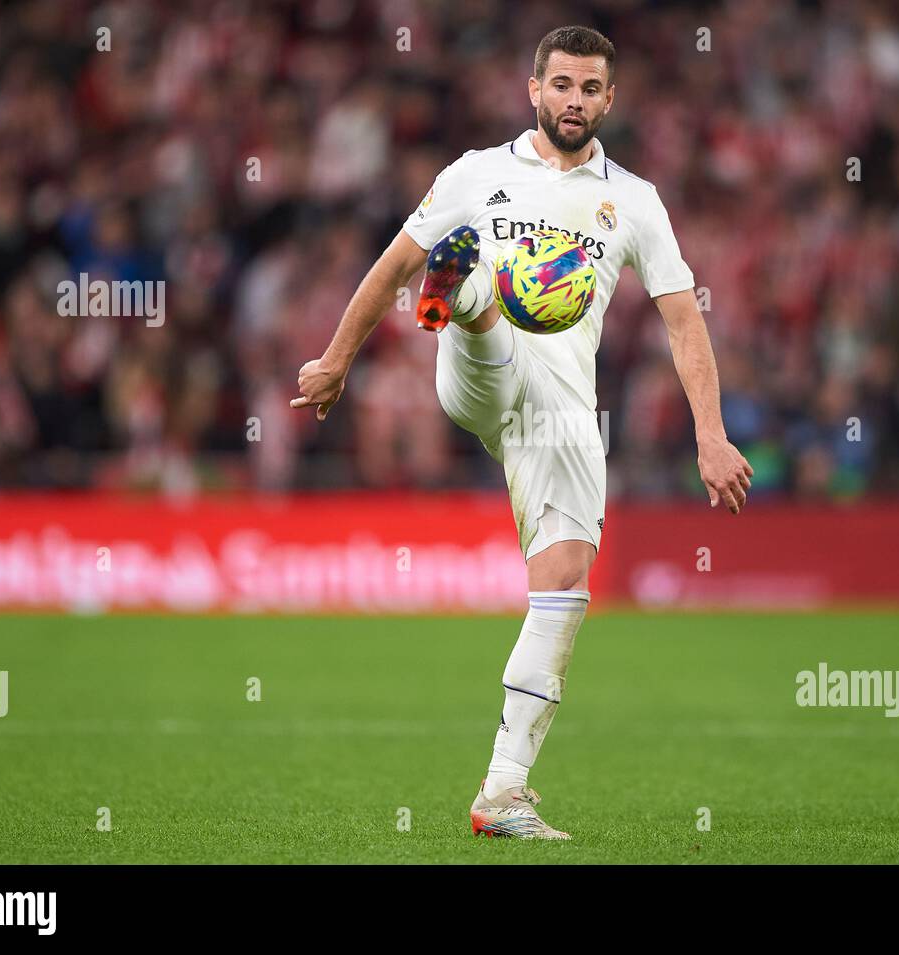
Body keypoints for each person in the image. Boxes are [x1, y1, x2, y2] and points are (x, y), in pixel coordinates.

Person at [292, 25, 752, 839]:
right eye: (562, 85)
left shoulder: (635, 201)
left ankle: (502, 791)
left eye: (589, 89)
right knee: (481, 308)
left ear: (610, 99)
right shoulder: (476, 173)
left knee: (566, 583)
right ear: (533, 89)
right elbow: (394, 265)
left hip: (563, 414)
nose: (573, 101)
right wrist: (336, 359)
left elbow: (685, 322)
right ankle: (464, 296)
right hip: (481, 373)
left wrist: (709, 436)